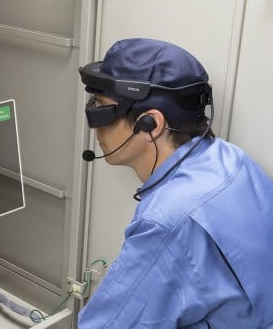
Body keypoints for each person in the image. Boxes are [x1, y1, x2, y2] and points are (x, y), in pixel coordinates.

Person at [77, 38, 273, 328]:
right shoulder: (233, 160)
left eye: (101, 107)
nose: (94, 123)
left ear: (150, 125)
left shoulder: (167, 222)